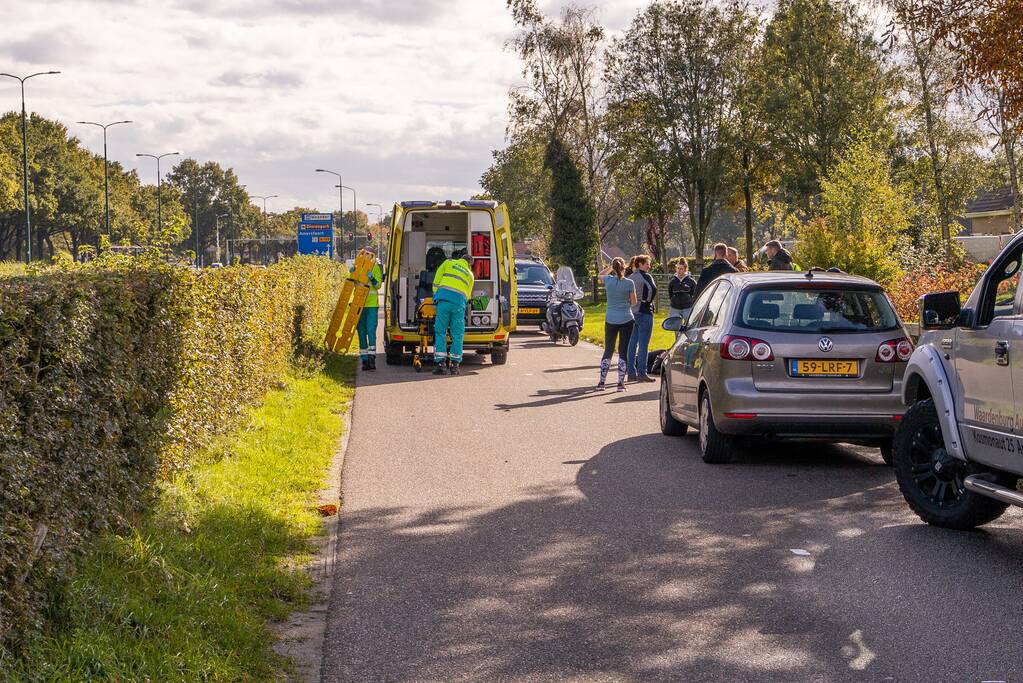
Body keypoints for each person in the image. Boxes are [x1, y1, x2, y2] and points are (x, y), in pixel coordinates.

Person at [432, 250, 475, 376]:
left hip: (444, 301)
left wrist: (436, 297)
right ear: (469, 264)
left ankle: (441, 365)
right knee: (457, 334)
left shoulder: (448, 262)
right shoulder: (470, 274)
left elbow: (436, 281)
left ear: (460, 258)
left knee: (440, 331)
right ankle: (455, 366)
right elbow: (468, 295)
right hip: (458, 305)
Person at [596, 257, 637, 392]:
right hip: (626, 319)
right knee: (623, 351)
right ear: (624, 267)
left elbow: (600, 275)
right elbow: (634, 302)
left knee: (608, 349)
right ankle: (620, 384)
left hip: (611, 319)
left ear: (613, 268)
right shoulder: (629, 283)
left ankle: (602, 382)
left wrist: (610, 267)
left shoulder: (608, 280)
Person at [626, 255, 657, 383]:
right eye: (647, 263)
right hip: (644, 311)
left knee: (632, 344)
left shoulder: (630, 277)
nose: (649, 266)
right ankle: (642, 373)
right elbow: (653, 289)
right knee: (643, 344)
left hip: (632, 312)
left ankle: (631, 373)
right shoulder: (646, 276)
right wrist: (648, 301)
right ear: (640, 264)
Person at [354, 252, 384, 372]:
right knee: (361, 333)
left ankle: (372, 358)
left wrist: (372, 278)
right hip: (359, 305)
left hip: (371, 305)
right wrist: (351, 273)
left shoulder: (375, 268)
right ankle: (364, 360)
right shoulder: (357, 267)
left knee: (371, 331)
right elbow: (352, 283)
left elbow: (378, 285)